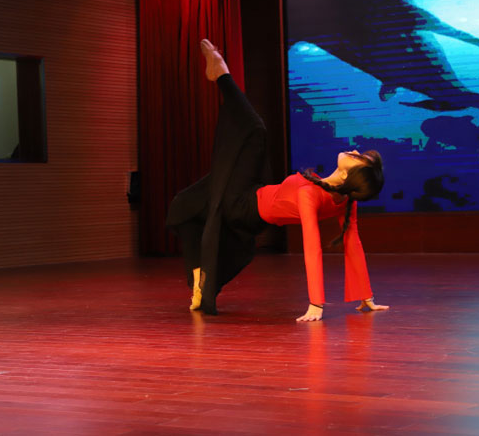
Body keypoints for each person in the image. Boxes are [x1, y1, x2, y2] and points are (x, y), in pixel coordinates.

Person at [166, 39, 389, 321]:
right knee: (184, 205)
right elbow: (353, 244)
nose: (355, 151)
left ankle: (222, 74)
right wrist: (366, 297)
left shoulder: (311, 195)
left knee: (254, 130)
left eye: (359, 158)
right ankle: (199, 276)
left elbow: (313, 246)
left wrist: (316, 304)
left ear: (348, 175)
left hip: (243, 204)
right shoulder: (341, 199)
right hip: (255, 192)